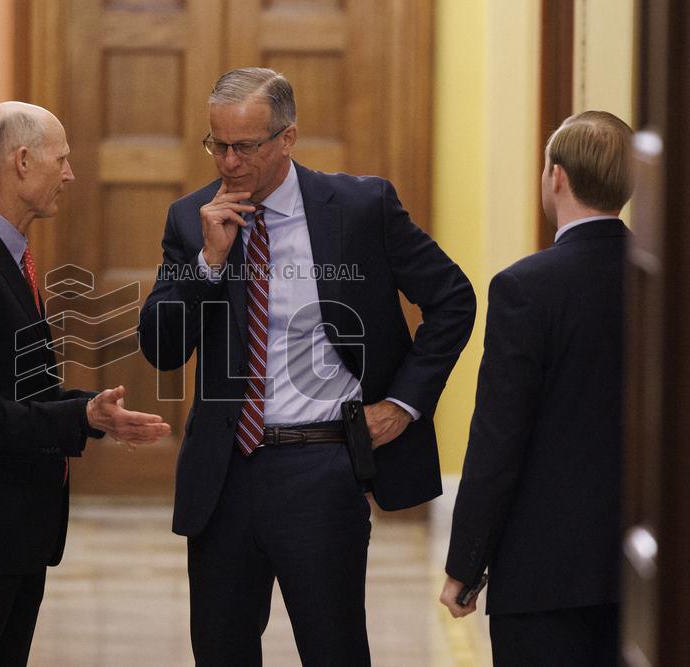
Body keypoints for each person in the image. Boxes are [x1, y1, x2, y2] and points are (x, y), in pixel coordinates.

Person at [138, 67, 476, 665]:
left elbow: (453, 298)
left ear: (287, 139)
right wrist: (208, 263)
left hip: (323, 467)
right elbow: (162, 348)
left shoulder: (360, 206)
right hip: (224, 477)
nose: (228, 162)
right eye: (217, 144)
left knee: (334, 651)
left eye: (245, 146)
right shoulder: (192, 218)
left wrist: (403, 404)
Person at [0, 101, 171, 666]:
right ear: (23, 161)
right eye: (63, 158)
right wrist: (80, 419)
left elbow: (19, 389)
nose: (71, 173)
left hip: (10, 536)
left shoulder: (0, 253)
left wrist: (91, 411)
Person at [440, 111, 634, 665]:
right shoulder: (663, 282)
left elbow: (499, 438)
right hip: (646, 569)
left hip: (544, 571)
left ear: (556, 177)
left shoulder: (526, 288)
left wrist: (465, 564)